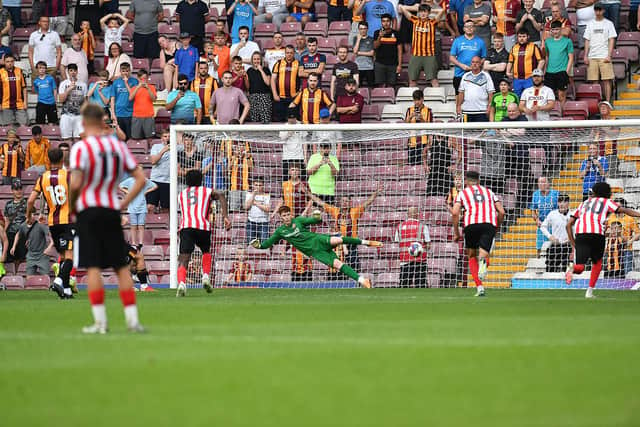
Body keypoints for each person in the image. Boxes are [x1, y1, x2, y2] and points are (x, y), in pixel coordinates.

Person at [69, 103, 146, 333]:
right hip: (112, 209)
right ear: (103, 121)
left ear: (83, 122)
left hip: (89, 209)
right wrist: (123, 202)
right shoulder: (116, 146)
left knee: (93, 266)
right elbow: (140, 178)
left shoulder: (81, 148)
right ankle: (132, 321)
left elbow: (75, 183)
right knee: (121, 266)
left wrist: (74, 205)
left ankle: (100, 323)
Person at [251, 205, 381, 288]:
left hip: (318, 240)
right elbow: (268, 243)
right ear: (280, 218)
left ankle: (366, 242)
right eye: (283, 216)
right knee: (338, 264)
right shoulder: (280, 231)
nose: (286, 217)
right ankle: (363, 280)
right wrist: (259, 246)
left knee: (338, 239)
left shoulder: (299, 220)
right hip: (315, 252)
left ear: (291, 214)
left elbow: (315, 221)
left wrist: (317, 215)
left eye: (287, 214)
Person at [565, 182, 640, 298]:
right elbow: (623, 210)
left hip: (581, 234)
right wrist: (638, 214)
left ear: (594, 192)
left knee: (580, 267)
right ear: (607, 192)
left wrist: (573, 243)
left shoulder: (583, 204)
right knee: (597, 263)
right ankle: (589, 292)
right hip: (596, 234)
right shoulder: (606, 202)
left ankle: (571, 268)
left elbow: (568, 225)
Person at [26, 147, 74, 298]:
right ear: (62, 160)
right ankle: (59, 280)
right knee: (70, 257)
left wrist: (29, 216)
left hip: (53, 222)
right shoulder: (68, 175)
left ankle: (66, 290)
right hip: (68, 220)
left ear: (48, 160)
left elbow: (30, 200)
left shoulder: (42, 178)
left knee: (63, 256)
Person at [177, 169, 231, 296]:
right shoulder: (206, 191)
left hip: (187, 226)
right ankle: (206, 276)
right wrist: (225, 217)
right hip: (203, 226)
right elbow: (222, 195)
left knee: (184, 258)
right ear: (201, 180)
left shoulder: (181, 194)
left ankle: (181, 284)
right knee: (206, 252)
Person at [452, 170, 505, 297]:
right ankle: (483, 263)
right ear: (479, 181)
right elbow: (502, 212)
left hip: (471, 224)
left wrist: (456, 233)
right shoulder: (489, 192)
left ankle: (479, 286)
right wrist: (496, 227)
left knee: (471, 255)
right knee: (483, 253)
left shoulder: (463, 193)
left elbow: (455, 213)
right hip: (488, 223)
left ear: (467, 181)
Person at [309, 184, 382, 273]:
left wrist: (376, 193)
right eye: (343, 201)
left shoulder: (354, 212)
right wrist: (307, 193)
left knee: (354, 269)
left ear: (350, 203)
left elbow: (367, 202)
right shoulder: (335, 211)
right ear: (339, 202)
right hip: (338, 245)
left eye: (347, 201)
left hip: (351, 244)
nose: (344, 203)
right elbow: (320, 202)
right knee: (338, 269)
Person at [398, 4, 441, 88]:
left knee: (434, 80)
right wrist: (415, 7)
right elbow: (402, 8)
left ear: (429, 13)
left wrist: (430, 10)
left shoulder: (432, 22)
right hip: (416, 55)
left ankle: (436, 97)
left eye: (425, 12)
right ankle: (412, 99)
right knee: (412, 80)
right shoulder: (415, 20)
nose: (423, 14)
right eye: (421, 12)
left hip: (429, 55)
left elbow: (442, 11)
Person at [584, 3, 616, 103]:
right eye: (596, 10)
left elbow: (611, 40)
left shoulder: (609, 23)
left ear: (603, 11)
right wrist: (585, 55)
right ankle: (596, 103)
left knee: (607, 80)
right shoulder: (590, 24)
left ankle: (607, 102)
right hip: (592, 56)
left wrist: (609, 55)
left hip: (604, 55)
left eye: (600, 10)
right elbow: (587, 40)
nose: (598, 12)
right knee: (594, 82)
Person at [119, 165, 157, 247]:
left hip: (142, 206)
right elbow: (120, 186)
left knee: (141, 225)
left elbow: (155, 186)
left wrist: (146, 192)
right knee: (133, 226)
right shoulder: (129, 180)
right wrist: (127, 192)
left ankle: (140, 243)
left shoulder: (144, 180)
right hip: (132, 207)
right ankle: (133, 242)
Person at [394, 206, 431, 288]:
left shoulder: (400, 227)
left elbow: (397, 242)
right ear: (417, 214)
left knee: (404, 285)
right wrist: (420, 249)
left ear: (407, 214)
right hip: (420, 260)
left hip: (405, 260)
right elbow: (428, 245)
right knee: (421, 284)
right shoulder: (423, 226)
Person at [449, 20, 486, 93]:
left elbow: (484, 57)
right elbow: (451, 57)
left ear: (474, 28)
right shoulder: (457, 41)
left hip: (475, 75)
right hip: (459, 74)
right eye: (467, 26)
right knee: (459, 97)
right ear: (464, 29)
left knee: (474, 96)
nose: (469, 28)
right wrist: (461, 65)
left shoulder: (480, 42)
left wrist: (475, 66)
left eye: (471, 26)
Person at [543, 21, 573, 110]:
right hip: (549, 72)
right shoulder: (548, 42)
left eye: (557, 29)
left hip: (562, 71)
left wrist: (566, 72)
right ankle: (551, 116)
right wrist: (545, 70)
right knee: (549, 96)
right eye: (553, 29)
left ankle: (562, 116)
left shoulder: (567, 41)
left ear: (561, 29)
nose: (555, 31)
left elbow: (571, 57)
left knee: (561, 95)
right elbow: (547, 56)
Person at [506, 29, 544, 97]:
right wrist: (507, 71)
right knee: (517, 98)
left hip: (529, 78)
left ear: (528, 37)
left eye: (524, 36)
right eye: (520, 36)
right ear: (517, 37)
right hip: (517, 79)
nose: (521, 39)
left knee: (530, 97)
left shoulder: (533, 47)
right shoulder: (514, 47)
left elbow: (541, 60)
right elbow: (510, 61)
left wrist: (536, 72)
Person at [606, 198, 640, 274]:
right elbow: (607, 232)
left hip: (626, 250)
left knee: (628, 273)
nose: (616, 209)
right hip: (613, 250)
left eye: (618, 207)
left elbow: (638, 233)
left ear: (623, 207)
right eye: (615, 207)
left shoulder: (630, 219)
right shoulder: (611, 218)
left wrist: (630, 241)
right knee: (612, 274)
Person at [12, 209, 49, 277]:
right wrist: (14, 246)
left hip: (42, 255)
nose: (33, 216)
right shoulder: (23, 226)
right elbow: (18, 234)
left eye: (34, 214)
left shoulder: (40, 225)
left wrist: (49, 247)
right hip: (31, 256)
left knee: (45, 277)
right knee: (29, 278)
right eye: (31, 214)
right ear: (26, 215)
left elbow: (50, 234)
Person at [456, 56, 494, 122]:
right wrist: (458, 106)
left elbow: (491, 93)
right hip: (466, 111)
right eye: (473, 62)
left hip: (481, 111)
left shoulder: (486, 76)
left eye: (477, 62)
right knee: (466, 132)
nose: (474, 64)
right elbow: (461, 93)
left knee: (481, 132)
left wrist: (489, 107)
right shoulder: (465, 76)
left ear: (480, 64)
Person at [126, 0, 163, 66]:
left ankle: (151, 72)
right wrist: (138, 21)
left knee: (153, 55)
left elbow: (161, 15)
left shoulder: (156, 2)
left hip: (153, 33)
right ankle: (141, 72)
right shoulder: (134, 2)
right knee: (138, 55)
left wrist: (153, 22)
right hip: (138, 33)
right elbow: (129, 15)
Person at [540, 193, 571, 272]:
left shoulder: (572, 215)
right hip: (555, 246)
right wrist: (550, 236)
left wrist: (571, 238)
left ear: (568, 203)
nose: (562, 204)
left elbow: (577, 230)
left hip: (568, 247)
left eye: (564, 202)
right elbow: (543, 226)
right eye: (560, 202)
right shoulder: (552, 214)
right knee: (550, 269)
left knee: (567, 271)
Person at [58, 63, 88, 144]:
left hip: (79, 115)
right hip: (66, 115)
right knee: (67, 140)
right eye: (71, 70)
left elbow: (85, 101)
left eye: (75, 70)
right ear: (68, 72)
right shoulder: (63, 84)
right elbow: (61, 100)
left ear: (77, 71)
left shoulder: (83, 85)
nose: (73, 72)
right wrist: (69, 89)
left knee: (78, 140)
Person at [530, 176, 559, 257]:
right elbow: (533, 211)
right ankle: (537, 265)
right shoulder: (535, 194)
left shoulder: (555, 194)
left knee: (555, 248)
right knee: (539, 248)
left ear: (548, 183)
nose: (541, 184)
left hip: (554, 226)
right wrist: (536, 220)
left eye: (543, 182)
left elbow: (560, 209)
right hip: (542, 226)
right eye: (539, 182)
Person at [271, 45, 300, 122]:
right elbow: (273, 79)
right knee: (278, 120)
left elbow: (302, 78)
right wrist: (274, 94)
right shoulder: (279, 63)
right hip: (280, 97)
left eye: (291, 53)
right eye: (287, 52)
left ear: (294, 53)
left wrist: (299, 93)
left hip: (293, 98)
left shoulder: (298, 63)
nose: (289, 54)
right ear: (285, 53)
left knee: (293, 121)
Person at [404, 89, 433, 166]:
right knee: (412, 166)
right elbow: (405, 125)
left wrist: (422, 119)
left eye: (418, 100)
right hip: (412, 143)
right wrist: (410, 117)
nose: (416, 102)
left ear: (422, 99)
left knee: (423, 165)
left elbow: (430, 127)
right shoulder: (409, 110)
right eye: (415, 100)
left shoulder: (428, 111)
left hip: (424, 143)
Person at [4, 179, 27, 273]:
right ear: (12, 190)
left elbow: (30, 219)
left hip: (22, 233)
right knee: (11, 257)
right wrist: (3, 234)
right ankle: (12, 276)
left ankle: (18, 274)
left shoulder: (27, 203)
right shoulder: (8, 204)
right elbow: (7, 220)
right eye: (16, 189)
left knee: (21, 256)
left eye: (20, 188)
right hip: (11, 233)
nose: (19, 191)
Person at [129, 69, 157, 144]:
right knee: (136, 138)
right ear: (138, 78)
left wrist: (148, 88)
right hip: (137, 116)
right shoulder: (134, 88)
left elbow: (154, 99)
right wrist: (138, 87)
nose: (143, 80)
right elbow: (130, 98)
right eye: (141, 79)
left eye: (145, 78)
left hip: (148, 116)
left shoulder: (151, 87)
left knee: (150, 138)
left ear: (148, 78)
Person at [147, 129, 171, 213]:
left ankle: (167, 225)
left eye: (169, 136)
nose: (167, 138)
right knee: (150, 206)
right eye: (165, 136)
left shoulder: (177, 147)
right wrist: (163, 150)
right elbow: (153, 161)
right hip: (155, 180)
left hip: (168, 181)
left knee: (166, 208)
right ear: (161, 138)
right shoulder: (156, 147)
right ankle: (150, 225)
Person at [0, 55, 27, 126]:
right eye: (7, 61)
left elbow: (24, 88)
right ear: (4, 62)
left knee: (23, 125)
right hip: (5, 104)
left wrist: (25, 102)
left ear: (14, 62)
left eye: (12, 61)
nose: (10, 63)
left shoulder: (19, 71)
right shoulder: (0, 72)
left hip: (19, 104)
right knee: (9, 128)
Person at [247, 52, 272, 123]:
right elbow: (248, 85)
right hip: (253, 96)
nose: (256, 61)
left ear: (261, 60)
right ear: (252, 60)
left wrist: (261, 70)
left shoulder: (266, 69)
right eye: (254, 59)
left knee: (265, 119)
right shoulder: (249, 70)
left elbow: (268, 82)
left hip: (264, 96)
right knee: (254, 119)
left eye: (258, 59)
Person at [244, 178, 271, 243]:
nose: (258, 187)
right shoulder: (249, 194)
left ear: (263, 186)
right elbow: (246, 207)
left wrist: (255, 203)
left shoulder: (267, 195)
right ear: (253, 186)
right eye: (256, 185)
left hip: (264, 223)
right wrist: (253, 195)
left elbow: (267, 209)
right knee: (251, 244)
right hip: (251, 222)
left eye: (260, 185)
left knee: (264, 244)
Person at [32, 61, 58, 125]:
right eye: (40, 68)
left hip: (51, 103)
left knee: (51, 123)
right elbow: (37, 91)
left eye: (43, 68)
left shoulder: (50, 78)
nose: (42, 70)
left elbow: (54, 90)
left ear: (46, 69)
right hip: (41, 103)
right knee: (40, 123)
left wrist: (55, 101)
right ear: (37, 69)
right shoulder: (36, 81)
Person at [353, 22, 375, 88]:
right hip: (358, 67)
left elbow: (372, 53)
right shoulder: (355, 38)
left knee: (371, 87)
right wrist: (359, 40)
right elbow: (355, 51)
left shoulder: (371, 39)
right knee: (357, 87)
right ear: (358, 29)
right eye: (361, 29)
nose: (363, 30)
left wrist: (359, 53)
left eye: (364, 28)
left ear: (367, 29)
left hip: (369, 67)